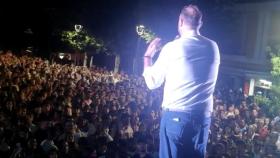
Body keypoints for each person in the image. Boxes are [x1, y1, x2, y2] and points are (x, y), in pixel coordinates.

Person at [142, 4, 220, 158]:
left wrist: (148, 56)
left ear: (181, 21)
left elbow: (152, 83)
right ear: (200, 23)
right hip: (202, 119)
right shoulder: (213, 47)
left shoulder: (172, 48)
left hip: (176, 118)